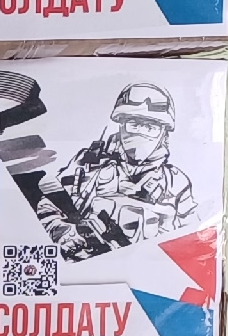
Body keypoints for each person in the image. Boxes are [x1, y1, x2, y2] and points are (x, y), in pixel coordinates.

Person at [36, 82, 197, 259]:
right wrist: (65, 234)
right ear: (121, 125)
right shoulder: (88, 165)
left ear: (163, 134)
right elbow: (48, 206)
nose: (141, 133)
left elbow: (194, 238)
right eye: (134, 124)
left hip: (149, 267)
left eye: (150, 128)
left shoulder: (175, 182)